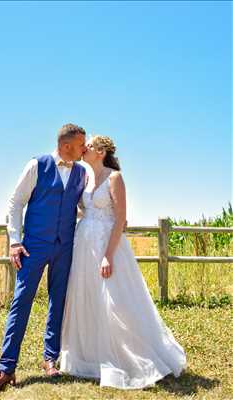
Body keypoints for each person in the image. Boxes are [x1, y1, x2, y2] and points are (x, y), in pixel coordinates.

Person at [60, 135, 186, 389]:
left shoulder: (115, 178)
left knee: (116, 301)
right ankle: (89, 356)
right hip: (84, 243)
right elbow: (85, 209)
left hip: (108, 245)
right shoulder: (85, 178)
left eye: (90, 146)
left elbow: (120, 219)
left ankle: (131, 353)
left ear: (101, 152)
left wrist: (108, 254)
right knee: (88, 296)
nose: (84, 149)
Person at [0, 123, 87, 393]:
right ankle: (6, 369)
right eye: (80, 145)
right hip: (33, 247)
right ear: (66, 145)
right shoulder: (37, 165)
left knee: (59, 302)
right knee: (21, 303)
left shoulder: (81, 173)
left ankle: (50, 359)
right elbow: (16, 202)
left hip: (65, 247)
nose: (84, 149)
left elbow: (81, 208)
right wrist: (15, 241)